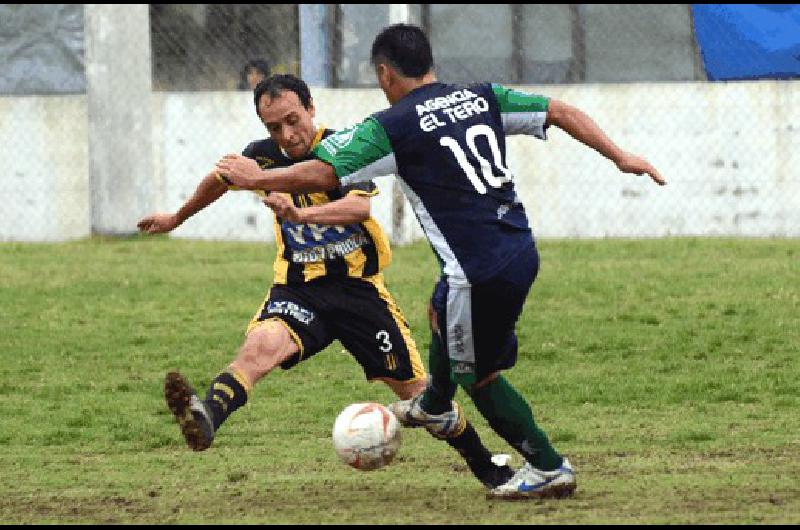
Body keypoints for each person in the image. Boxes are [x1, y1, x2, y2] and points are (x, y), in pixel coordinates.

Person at [214, 25, 666, 500]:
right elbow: (560, 110)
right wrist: (621, 156)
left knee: (479, 375)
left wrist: (252, 179)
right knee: (438, 307)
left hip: (477, 270)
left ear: (385, 73)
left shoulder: (392, 125)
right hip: (518, 248)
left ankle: (548, 467)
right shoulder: (482, 96)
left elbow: (325, 172)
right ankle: (432, 403)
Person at [137, 73, 513, 489]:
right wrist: (177, 216)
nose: (287, 134)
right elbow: (220, 179)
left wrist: (300, 215)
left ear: (312, 108)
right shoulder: (261, 157)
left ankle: (485, 466)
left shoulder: (345, 148)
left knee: (418, 394)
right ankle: (207, 416)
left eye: (293, 120)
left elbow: (357, 210)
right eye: (274, 127)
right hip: (299, 290)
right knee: (260, 347)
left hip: (360, 293)